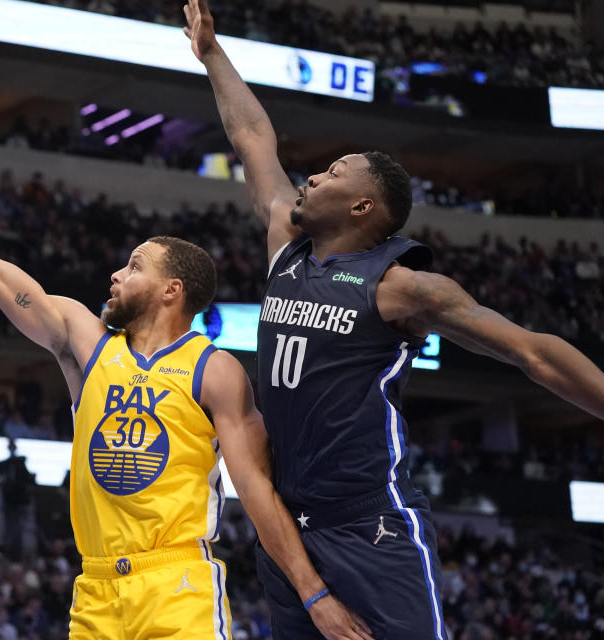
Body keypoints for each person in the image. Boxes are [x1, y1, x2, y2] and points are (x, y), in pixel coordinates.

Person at [0, 130, 368, 639]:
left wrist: (314, 594)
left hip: (176, 583)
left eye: (134, 266)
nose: (116, 274)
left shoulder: (215, 370)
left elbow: (255, 492)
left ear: (171, 290)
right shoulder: (85, 340)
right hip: (94, 589)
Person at [184, 1, 604, 638]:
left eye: (332, 172)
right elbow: (253, 140)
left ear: (360, 206)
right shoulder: (285, 247)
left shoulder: (401, 285)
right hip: (287, 523)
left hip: (369, 523)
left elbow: (532, 352)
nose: (313, 175)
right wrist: (214, 56)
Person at [0, 439, 35, 560]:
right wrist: (2, 481)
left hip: (21, 501)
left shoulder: (21, 464)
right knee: (10, 528)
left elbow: (29, 480)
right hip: (9, 500)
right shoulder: (3, 465)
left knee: (20, 528)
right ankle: (10, 552)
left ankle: (19, 552)